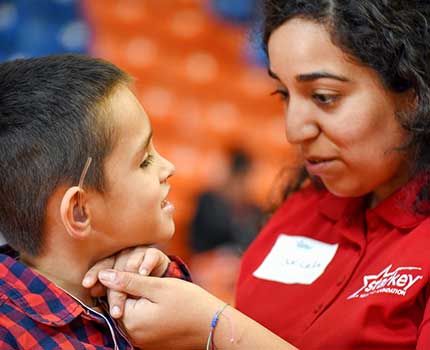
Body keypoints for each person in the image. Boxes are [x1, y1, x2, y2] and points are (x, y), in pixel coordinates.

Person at [88, 1, 430, 349]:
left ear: (414, 93)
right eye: (283, 95)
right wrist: (162, 284)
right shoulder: (300, 209)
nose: (294, 129)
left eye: (325, 97)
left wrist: (215, 325)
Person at [0, 54, 191, 349]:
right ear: (79, 211)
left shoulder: (155, 283)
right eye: (145, 161)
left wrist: (167, 280)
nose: (168, 168)